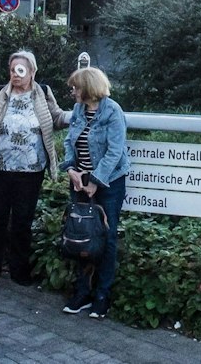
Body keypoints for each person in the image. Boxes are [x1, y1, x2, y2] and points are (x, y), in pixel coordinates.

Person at [0, 50, 64, 286]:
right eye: (12, 70)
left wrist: (83, 110)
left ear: (32, 72)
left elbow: (57, 118)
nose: (15, 75)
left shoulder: (43, 93)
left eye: (20, 70)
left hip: (30, 173)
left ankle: (19, 268)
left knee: (22, 221)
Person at [60, 65, 129, 319]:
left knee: (107, 238)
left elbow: (115, 151)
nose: (73, 92)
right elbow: (69, 142)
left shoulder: (113, 111)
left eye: (75, 88)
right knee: (81, 236)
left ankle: (102, 295)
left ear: (88, 88)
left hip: (108, 184)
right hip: (80, 181)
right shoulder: (78, 110)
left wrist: (95, 181)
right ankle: (83, 293)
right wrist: (71, 170)